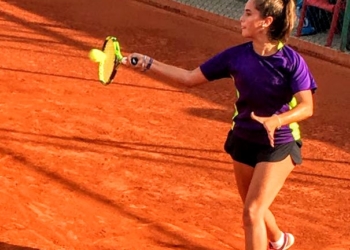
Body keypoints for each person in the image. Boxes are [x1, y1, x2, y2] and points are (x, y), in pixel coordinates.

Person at [123, 0, 317, 248]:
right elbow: (189, 78)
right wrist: (149, 64)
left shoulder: (291, 61)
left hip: (278, 143)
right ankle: (279, 240)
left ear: (266, 22)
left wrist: (277, 120)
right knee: (252, 205)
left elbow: (306, 107)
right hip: (243, 139)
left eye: (248, 14)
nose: (241, 18)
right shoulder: (235, 56)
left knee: (252, 212)